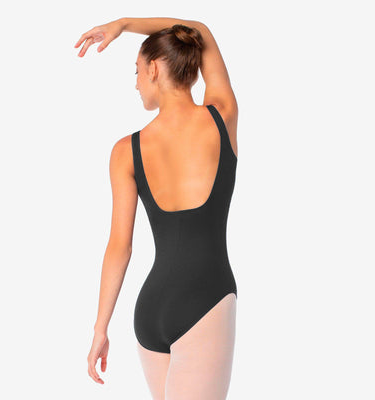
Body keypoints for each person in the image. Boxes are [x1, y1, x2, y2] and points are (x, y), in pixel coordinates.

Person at [75, 17, 239, 400]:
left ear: (153, 69)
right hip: (206, 302)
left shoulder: (125, 151)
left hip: (151, 310)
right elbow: (201, 31)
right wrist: (125, 25)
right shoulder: (222, 117)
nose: (135, 83)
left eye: (136, 71)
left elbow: (119, 246)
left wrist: (100, 328)